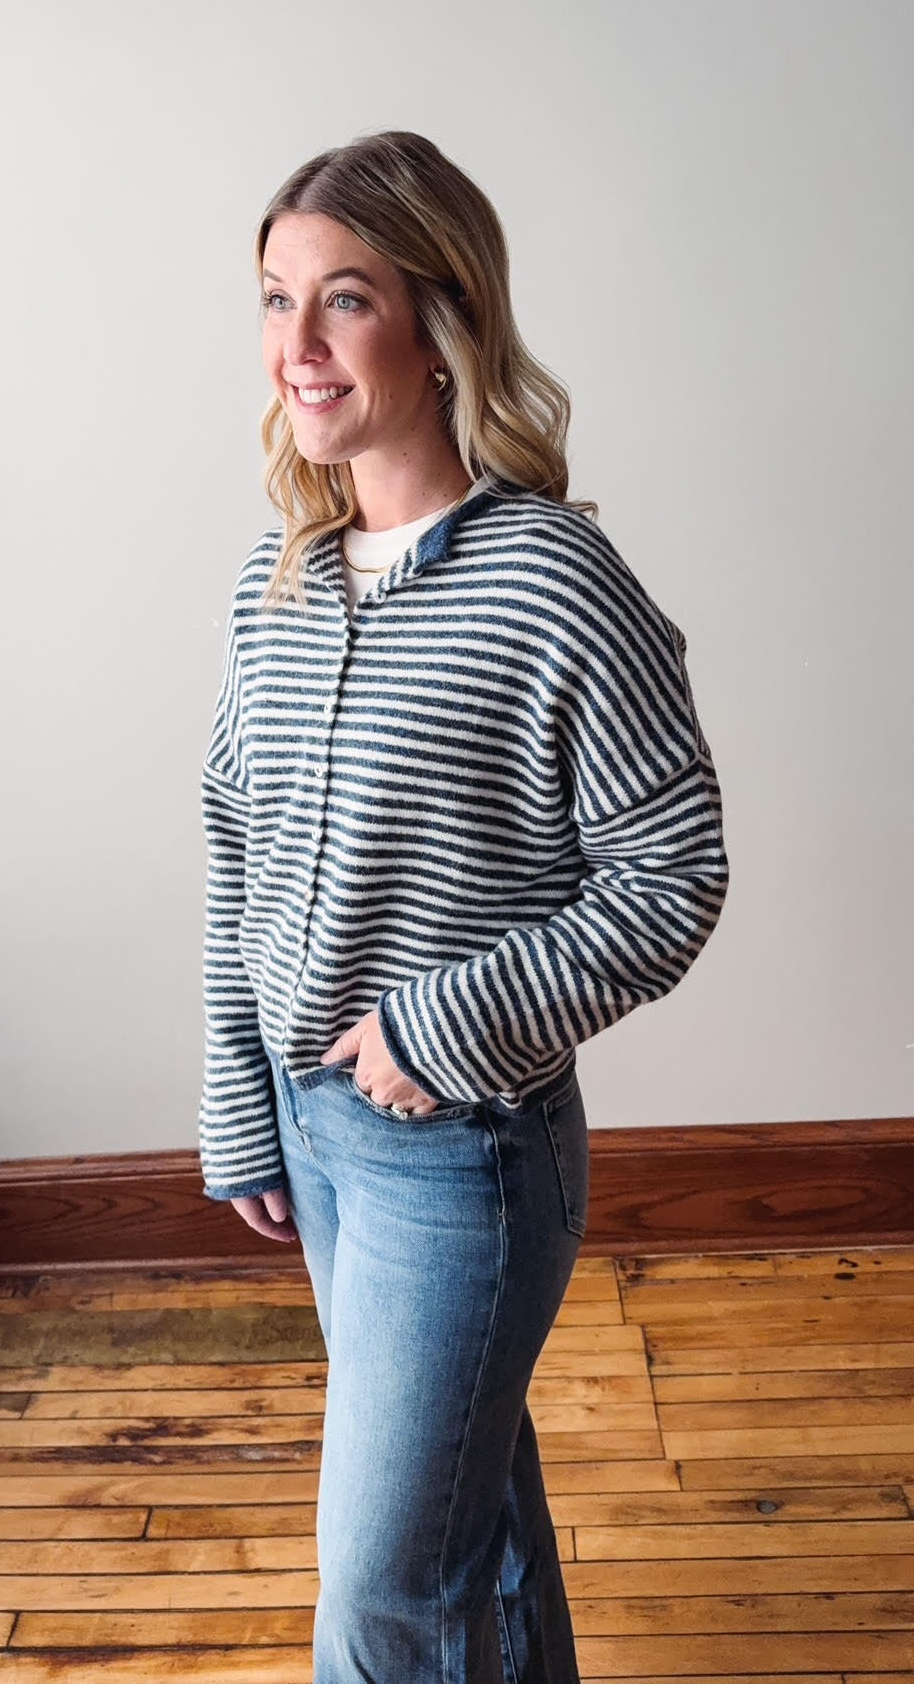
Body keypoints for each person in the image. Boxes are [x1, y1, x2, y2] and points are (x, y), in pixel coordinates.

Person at [198, 129, 729, 1684]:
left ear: (441, 325)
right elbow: (233, 842)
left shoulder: (556, 580)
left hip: (464, 1155)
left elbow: (673, 871)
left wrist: (436, 1024)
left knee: (382, 1581)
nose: (299, 344)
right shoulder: (281, 575)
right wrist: (242, 1093)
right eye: (277, 297)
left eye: (345, 298)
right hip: (314, 1127)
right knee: (461, 1520)